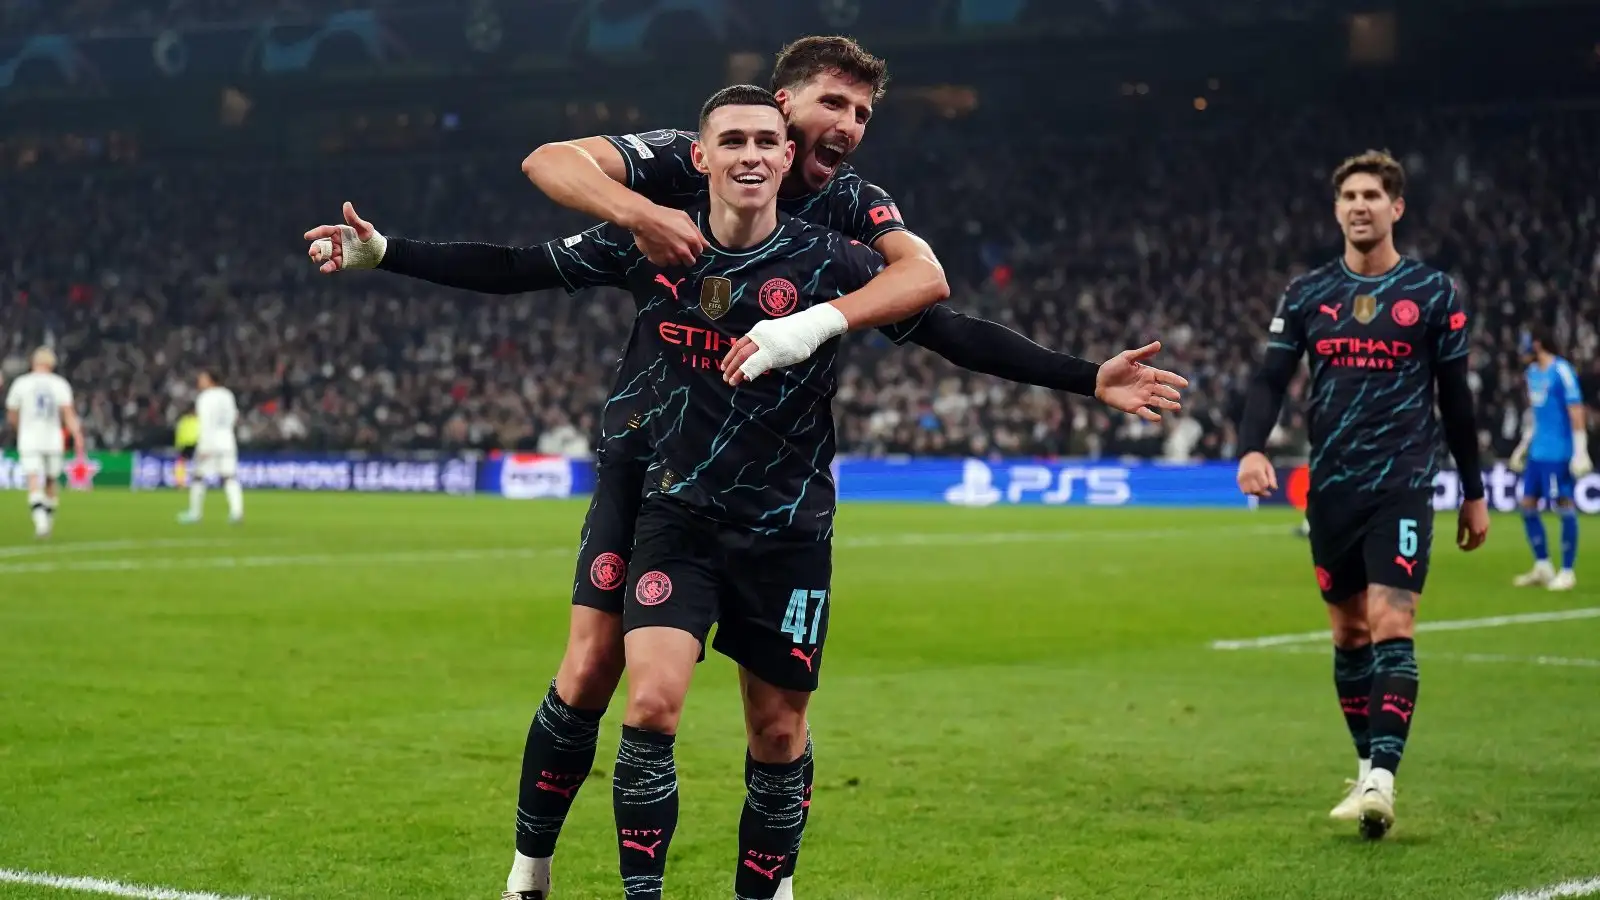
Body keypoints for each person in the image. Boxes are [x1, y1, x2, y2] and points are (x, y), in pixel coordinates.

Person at [307, 36, 1187, 900]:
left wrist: (1069, 374)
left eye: (861, 112)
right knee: (594, 673)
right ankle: (528, 874)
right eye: (830, 103)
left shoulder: (851, 214)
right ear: (777, 105)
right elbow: (542, 183)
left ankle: (771, 879)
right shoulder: (680, 166)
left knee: (776, 723)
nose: (845, 125)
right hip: (649, 465)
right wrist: (638, 215)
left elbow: (930, 293)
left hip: (778, 492)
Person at [1234, 149, 1490, 840]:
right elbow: (1270, 379)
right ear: (1336, 208)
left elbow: (1456, 398)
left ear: (1395, 207)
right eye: (1349, 196)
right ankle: (1365, 769)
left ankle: (1383, 777)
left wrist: (1473, 490)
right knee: (1348, 633)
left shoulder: (1432, 292)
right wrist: (1252, 447)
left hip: (1402, 483)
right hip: (1332, 488)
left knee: (1391, 621)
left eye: (1372, 195)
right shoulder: (1308, 293)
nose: (1359, 206)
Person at [1508, 324, 1590, 590]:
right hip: (1538, 452)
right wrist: (1523, 447)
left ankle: (1567, 571)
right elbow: (1536, 414)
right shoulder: (1532, 373)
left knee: (1563, 507)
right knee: (1527, 506)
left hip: (1558, 452)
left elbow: (1576, 410)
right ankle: (1543, 565)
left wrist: (1580, 451)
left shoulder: (1561, 370)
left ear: (1537, 344)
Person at [4, 347, 85, 539]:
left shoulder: (21, 383)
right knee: (51, 480)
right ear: (52, 364)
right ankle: (46, 521)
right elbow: (68, 414)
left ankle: (40, 523)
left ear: (33, 362)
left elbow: (11, 414)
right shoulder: (59, 384)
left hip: (29, 438)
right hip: (53, 439)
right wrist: (78, 435)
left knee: (33, 478)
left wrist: (20, 429)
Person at [178, 369, 244, 525]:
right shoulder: (228, 395)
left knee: (198, 476)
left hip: (210, 441)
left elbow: (206, 423)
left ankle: (195, 513)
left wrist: (204, 446)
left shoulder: (205, 397)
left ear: (210, 380)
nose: (200, 381)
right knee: (229, 477)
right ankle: (237, 513)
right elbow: (234, 417)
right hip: (227, 440)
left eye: (202, 378)